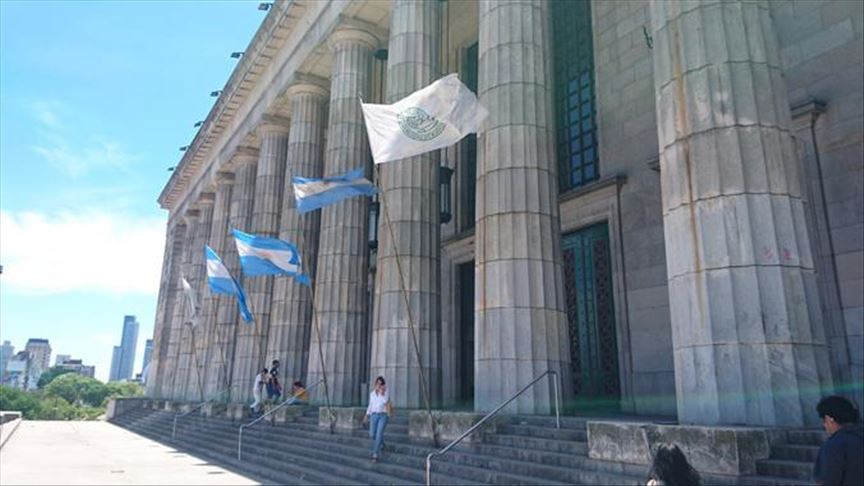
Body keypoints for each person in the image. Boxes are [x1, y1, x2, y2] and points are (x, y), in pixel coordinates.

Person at [814, 395, 863, 486]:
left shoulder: (833, 446)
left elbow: (827, 480)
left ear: (829, 419)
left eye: (824, 421)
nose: (825, 426)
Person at [363, 376, 390, 462]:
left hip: (383, 415)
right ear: (375, 384)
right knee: (372, 434)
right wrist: (366, 415)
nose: (379, 385)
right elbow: (370, 405)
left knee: (379, 434)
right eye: (377, 383)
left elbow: (385, 402)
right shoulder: (372, 394)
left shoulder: (386, 392)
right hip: (374, 415)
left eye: (381, 384)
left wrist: (382, 393)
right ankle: (382, 444)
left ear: (383, 385)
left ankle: (375, 454)